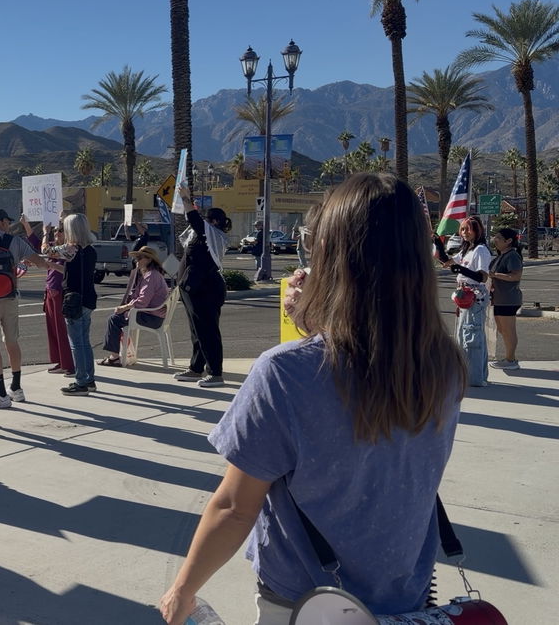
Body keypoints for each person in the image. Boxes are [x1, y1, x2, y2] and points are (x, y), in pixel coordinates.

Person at [160, 173, 465, 623]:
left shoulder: (285, 373)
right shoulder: (445, 365)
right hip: (407, 596)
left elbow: (233, 507)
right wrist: (318, 325)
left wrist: (183, 589)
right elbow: (368, 391)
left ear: (331, 254)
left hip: (308, 603)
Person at [0, 209, 47, 410]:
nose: (8, 224)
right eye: (6, 221)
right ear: (0, 222)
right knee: (11, 341)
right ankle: (16, 387)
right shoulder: (15, 241)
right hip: (10, 297)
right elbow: (39, 262)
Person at [173, 187, 230, 388]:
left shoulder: (211, 235)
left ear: (214, 222)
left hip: (205, 289)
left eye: (207, 219)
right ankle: (196, 368)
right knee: (197, 330)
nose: (203, 221)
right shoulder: (206, 235)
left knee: (208, 331)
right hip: (193, 288)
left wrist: (186, 199)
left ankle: (215, 373)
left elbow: (194, 220)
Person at [435, 216, 491, 387]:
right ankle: (472, 374)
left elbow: (482, 276)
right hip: (463, 294)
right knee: (464, 334)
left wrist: (461, 269)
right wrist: (438, 244)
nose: (465, 233)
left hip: (474, 294)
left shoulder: (481, 250)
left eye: (468, 229)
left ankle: (474, 378)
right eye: (463, 229)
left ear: (477, 230)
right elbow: (447, 262)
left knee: (471, 336)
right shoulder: (466, 250)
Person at [97, 246, 169, 367]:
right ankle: (115, 356)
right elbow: (137, 295)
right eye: (136, 258)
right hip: (155, 316)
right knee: (117, 317)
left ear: (149, 260)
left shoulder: (151, 276)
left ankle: (114, 357)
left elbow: (142, 302)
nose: (137, 260)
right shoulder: (151, 274)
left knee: (114, 319)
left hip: (152, 318)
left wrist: (124, 308)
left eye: (140, 258)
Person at [55, 213, 97, 396]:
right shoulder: (90, 250)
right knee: (85, 342)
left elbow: (46, 250)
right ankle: (89, 379)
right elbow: (70, 270)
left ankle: (81, 381)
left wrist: (46, 231)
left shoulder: (70, 249)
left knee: (76, 343)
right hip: (88, 298)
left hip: (74, 300)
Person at [41, 225, 75, 376]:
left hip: (60, 290)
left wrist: (44, 233)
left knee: (61, 329)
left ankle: (68, 364)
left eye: (60, 230)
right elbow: (44, 250)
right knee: (53, 328)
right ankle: (60, 361)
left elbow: (66, 270)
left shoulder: (68, 249)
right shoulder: (57, 248)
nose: (57, 233)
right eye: (55, 231)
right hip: (50, 289)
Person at [488, 227, 524, 370]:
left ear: (508, 241)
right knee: (502, 329)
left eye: (498, 238)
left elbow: (516, 276)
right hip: (499, 298)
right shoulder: (500, 255)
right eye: (495, 237)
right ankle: (509, 358)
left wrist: (495, 275)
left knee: (508, 330)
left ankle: (511, 360)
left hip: (509, 298)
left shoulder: (512, 256)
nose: (495, 240)